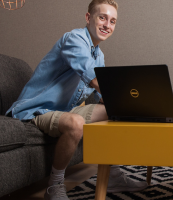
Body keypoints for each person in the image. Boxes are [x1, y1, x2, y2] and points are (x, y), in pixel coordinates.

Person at [6, 0, 148, 199]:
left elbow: (101, 96)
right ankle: (54, 186)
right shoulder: (73, 39)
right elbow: (94, 79)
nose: (108, 25)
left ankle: (112, 176)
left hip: (63, 110)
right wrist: (119, 96)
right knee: (76, 123)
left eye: (113, 21)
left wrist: (133, 103)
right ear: (88, 18)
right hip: (36, 110)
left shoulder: (99, 54)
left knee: (115, 112)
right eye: (102, 18)